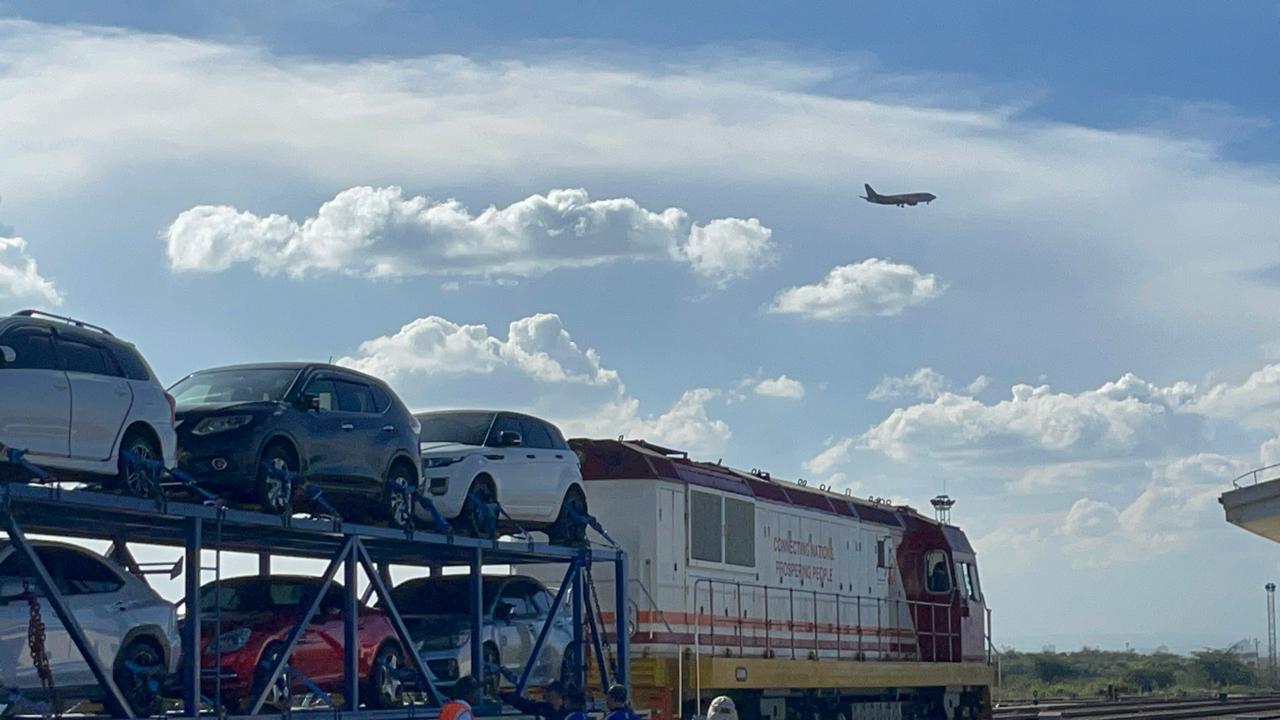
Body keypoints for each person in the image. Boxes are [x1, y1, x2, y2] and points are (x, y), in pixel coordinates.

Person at [501, 680, 567, 720]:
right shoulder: (543, 708)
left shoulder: (567, 712)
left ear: (557, 693)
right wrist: (504, 695)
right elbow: (524, 705)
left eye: (549, 690)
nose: (546, 693)